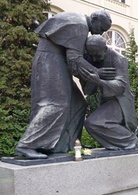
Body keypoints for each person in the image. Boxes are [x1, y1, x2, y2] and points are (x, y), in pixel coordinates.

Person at [15, 11, 112, 159]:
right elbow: (74, 61)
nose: (101, 32)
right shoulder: (79, 25)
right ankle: (27, 145)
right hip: (51, 61)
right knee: (56, 104)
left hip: (57, 61)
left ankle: (72, 143)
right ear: (95, 19)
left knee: (79, 104)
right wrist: (97, 72)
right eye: (102, 28)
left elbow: (74, 61)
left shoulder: (78, 21)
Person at [80, 35, 138, 150]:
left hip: (120, 101)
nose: (95, 59)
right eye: (92, 56)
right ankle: (122, 142)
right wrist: (94, 76)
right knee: (92, 124)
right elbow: (88, 91)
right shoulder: (92, 60)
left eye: (97, 55)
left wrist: (98, 80)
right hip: (106, 101)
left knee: (93, 123)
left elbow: (120, 87)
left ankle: (131, 140)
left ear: (105, 49)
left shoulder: (119, 59)